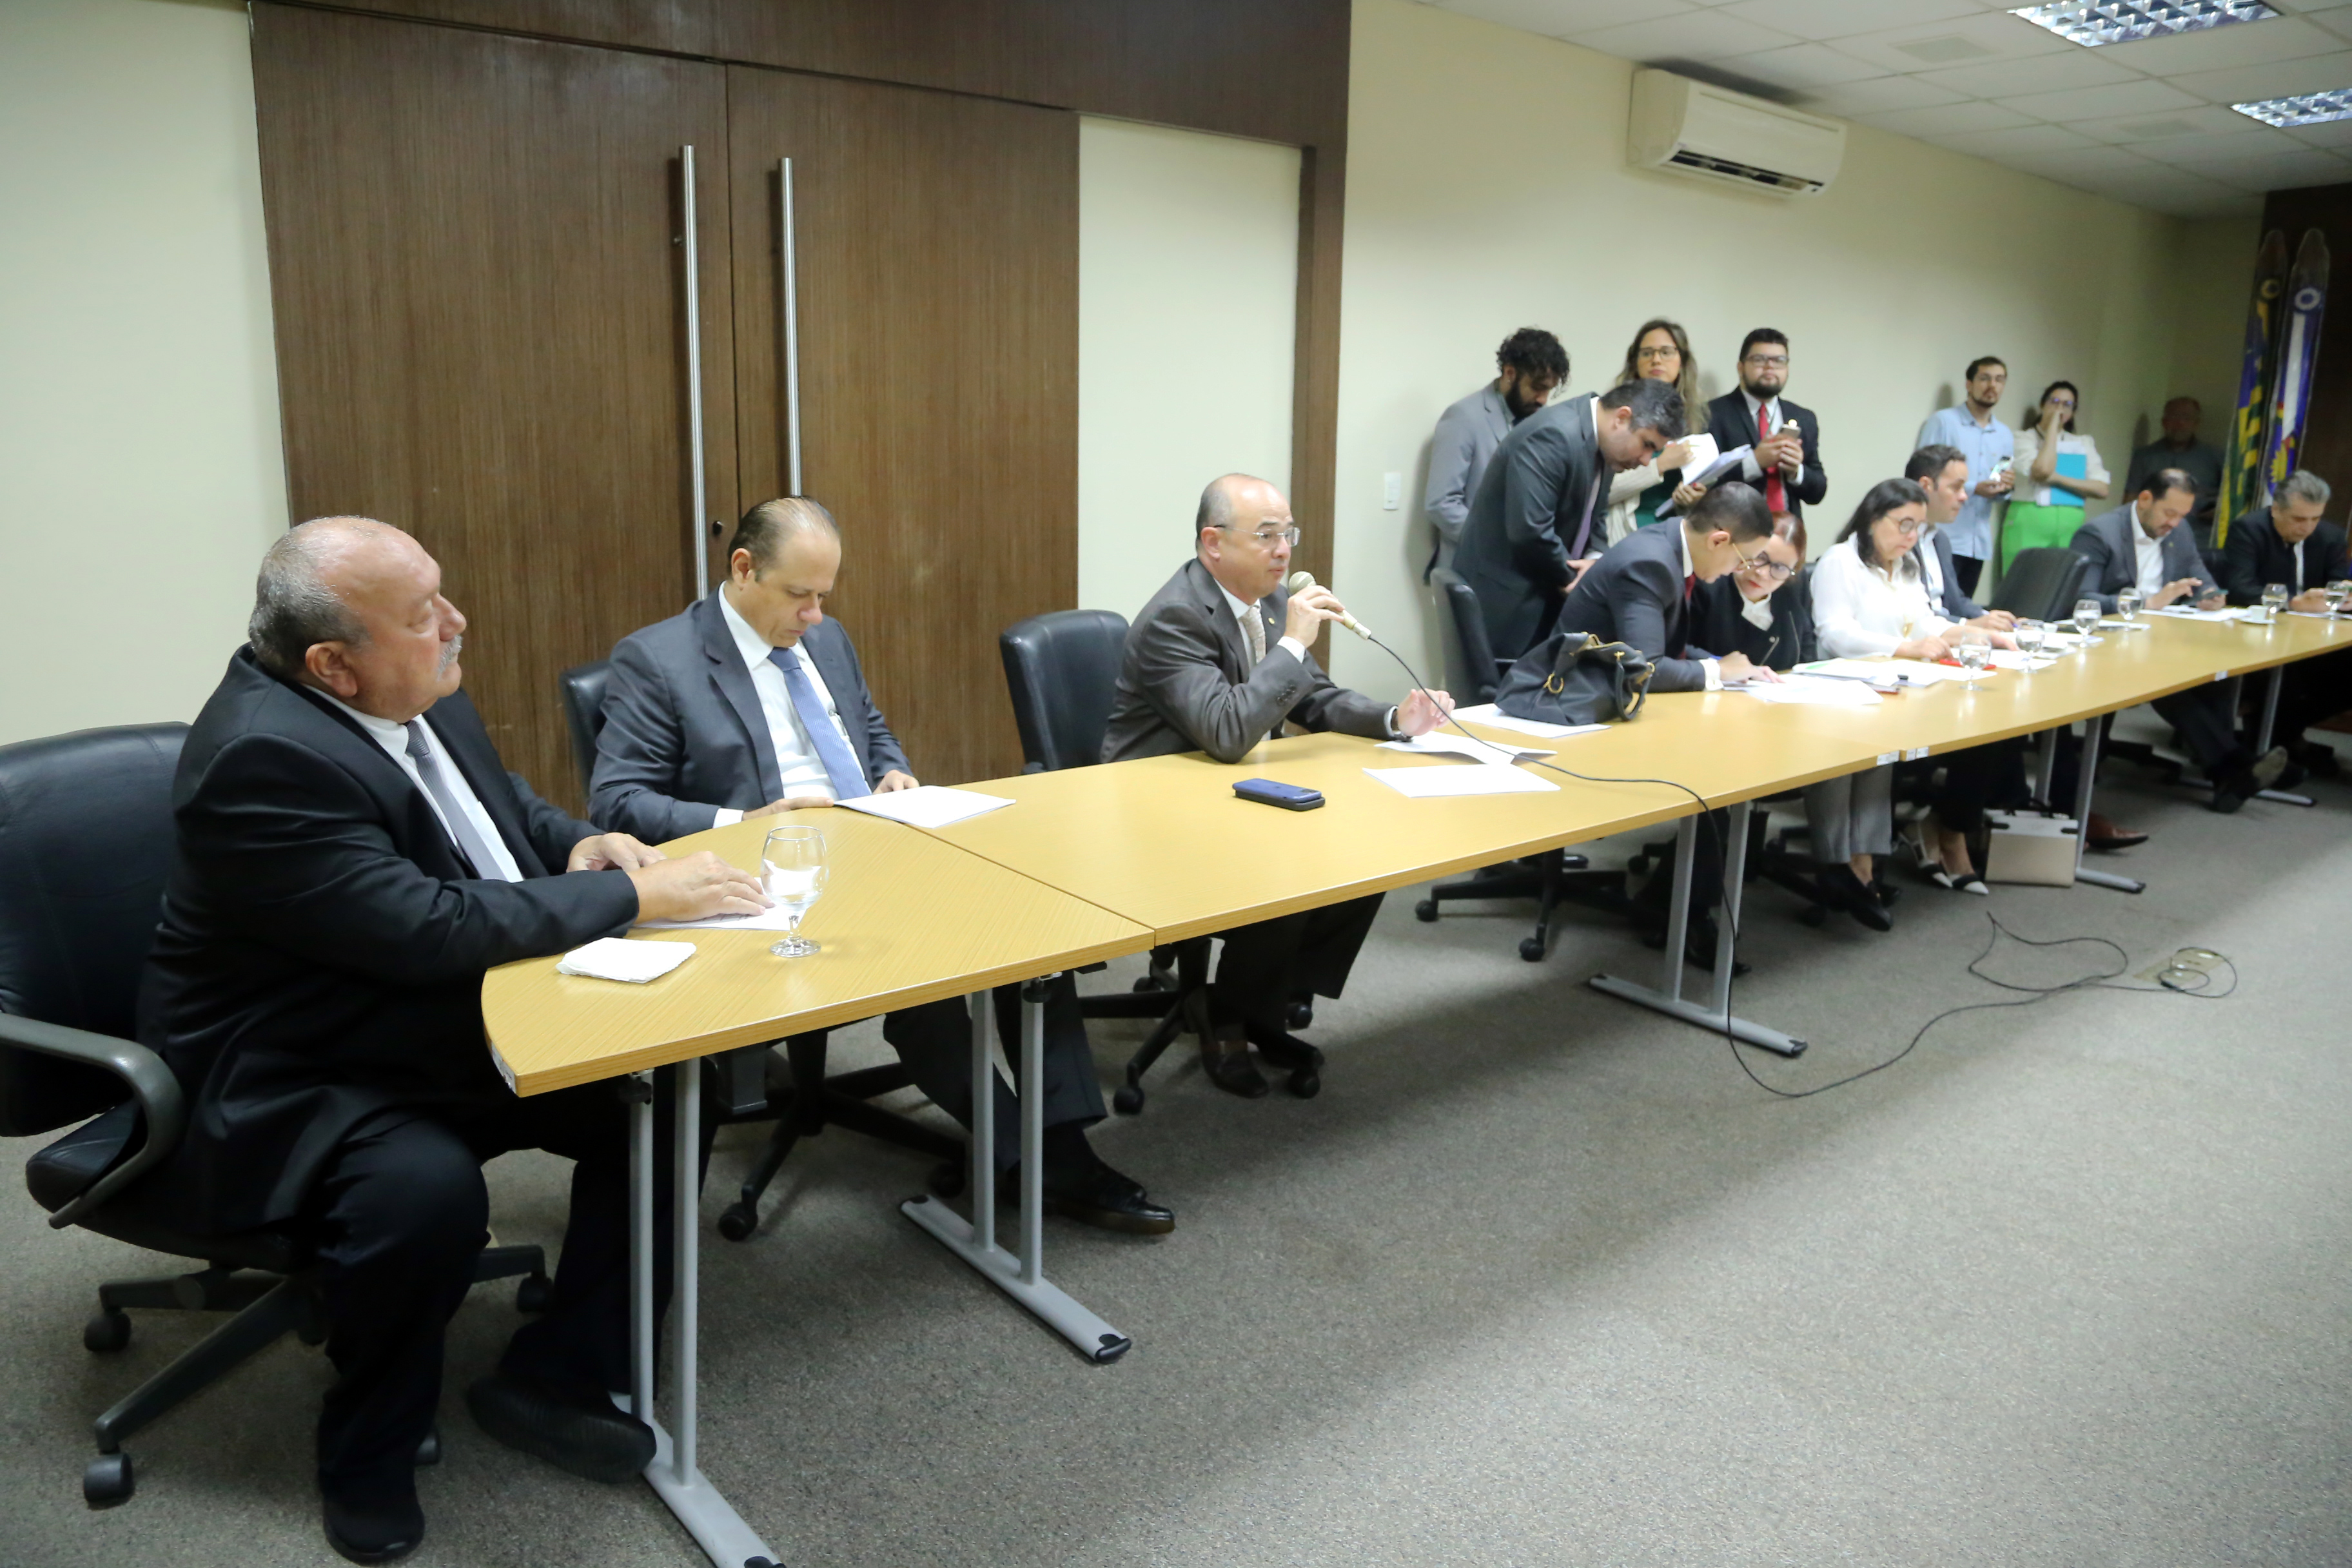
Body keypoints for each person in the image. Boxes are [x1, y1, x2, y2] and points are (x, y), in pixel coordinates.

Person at [139, 518, 772, 1564]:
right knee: (421, 1195)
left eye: (441, 594)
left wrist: (582, 844)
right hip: (302, 1061)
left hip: (430, 1013)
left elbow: (496, 808)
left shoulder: (413, 684)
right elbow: (422, 925)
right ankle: (365, 1450)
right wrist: (636, 897)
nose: (455, 620)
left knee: (660, 1082)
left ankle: (565, 1372)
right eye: (422, 612)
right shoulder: (264, 758)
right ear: (331, 664)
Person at [593, 498, 1171, 1234]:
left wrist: (893, 771)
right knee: (927, 973)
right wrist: (745, 822)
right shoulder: (658, 659)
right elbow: (618, 798)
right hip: (775, 875)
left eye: (823, 596)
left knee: (1031, 922)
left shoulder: (825, 637)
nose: (814, 616)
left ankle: (1062, 1135)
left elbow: (867, 728)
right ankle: (1032, 1161)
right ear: (743, 569)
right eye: (798, 595)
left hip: (879, 843)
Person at [1102, 474, 1449, 1095]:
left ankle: (1260, 994)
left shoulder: (1264, 600)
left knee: (1365, 852)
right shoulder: (1175, 618)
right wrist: (1291, 643)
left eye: (1288, 533)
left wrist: (1395, 719)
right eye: (1266, 535)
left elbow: (1313, 698)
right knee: (1287, 869)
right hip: (1158, 812)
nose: (1284, 549)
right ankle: (1230, 1014)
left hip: (1233, 792)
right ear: (1213, 543)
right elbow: (1227, 730)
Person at [1507, 483, 1779, 967]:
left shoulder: (1670, 545)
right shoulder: (1649, 563)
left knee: (1722, 772)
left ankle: (1669, 905)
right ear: (1719, 540)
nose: (1740, 571)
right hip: (1575, 714)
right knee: (1719, 782)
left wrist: (1730, 667)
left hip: (1608, 700)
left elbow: (1665, 650)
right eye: (1744, 559)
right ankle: (1679, 916)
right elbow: (1647, 667)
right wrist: (1718, 672)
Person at [1810, 479, 2024, 894]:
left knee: (1985, 728)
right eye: (1904, 525)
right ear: (1873, 518)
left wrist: (1978, 635)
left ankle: (1888, 851)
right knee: (1879, 749)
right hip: (1851, 688)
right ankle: (1854, 865)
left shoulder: (1906, 564)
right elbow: (1835, 633)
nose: (1911, 537)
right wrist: (1905, 648)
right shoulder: (1840, 561)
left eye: (1919, 528)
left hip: (1902, 686)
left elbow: (1927, 623)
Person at [2072, 473, 2286, 812]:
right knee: (2167, 680)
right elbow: (2082, 599)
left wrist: (2211, 595)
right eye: (2169, 513)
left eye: (2182, 515)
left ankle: (2227, 772)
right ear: (2145, 500)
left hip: (2160, 636)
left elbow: (2200, 577)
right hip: (2109, 641)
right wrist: (2146, 603)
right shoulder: (2099, 534)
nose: (2175, 523)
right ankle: (2233, 766)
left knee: (2217, 672)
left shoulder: (2179, 530)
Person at [1454, 378, 1685, 658]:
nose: (1647, 460)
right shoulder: (1554, 435)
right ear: (1622, 418)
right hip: (1504, 605)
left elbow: (1595, 515)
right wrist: (1582, 580)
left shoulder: (1603, 443)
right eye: (1647, 445)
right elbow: (1531, 531)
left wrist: (1596, 561)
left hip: (1541, 597)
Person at [2217, 469, 2351, 777]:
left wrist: (2344, 598)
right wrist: (2292, 602)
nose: (2307, 528)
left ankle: (2280, 733)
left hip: (2318, 634)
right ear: (2276, 509)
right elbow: (2240, 588)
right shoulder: (2249, 529)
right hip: (2260, 633)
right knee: (2287, 670)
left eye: (2315, 519)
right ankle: (2276, 740)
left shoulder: (2330, 536)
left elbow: (2339, 585)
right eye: (2299, 519)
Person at [1422, 326, 1566, 577]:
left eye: (1549, 390)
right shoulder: (1463, 417)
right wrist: (1497, 545)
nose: (1543, 399)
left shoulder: (1542, 419)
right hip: (1471, 567)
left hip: (1521, 572)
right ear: (1510, 373)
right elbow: (1441, 504)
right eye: (1537, 387)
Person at [1700, 328, 1827, 534]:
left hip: (1786, 536)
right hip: (1731, 534)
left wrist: (1796, 471)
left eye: (1779, 361)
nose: (1770, 367)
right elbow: (1702, 483)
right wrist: (1755, 463)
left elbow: (1818, 492)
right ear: (1741, 367)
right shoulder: (1710, 414)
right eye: (1760, 360)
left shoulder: (1804, 418)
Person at [1914, 355, 2015, 596]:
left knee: (1963, 607)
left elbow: (2000, 483)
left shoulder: (2004, 434)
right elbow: (1921, 473)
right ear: (1969, 384)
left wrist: (2005, 488)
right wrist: (1973, 488)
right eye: (1985, 378)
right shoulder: (1944, 422)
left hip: (1978, 543)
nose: (1992, 386)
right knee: (1933, 603)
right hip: (1942, 536)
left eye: (1999, 380)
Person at [1601, 318, 1705, 545]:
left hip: (1671, 537)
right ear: (1635, 361)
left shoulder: (1696, 419)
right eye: (1647, 353)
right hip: (1622, 535)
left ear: (1682, 360)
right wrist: (1661, 465)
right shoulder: (1617, 413)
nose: (1656, 360)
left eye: (1666, 352)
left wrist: (1692, 500)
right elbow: (1600, 492)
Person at [1903, 444, 2017, 634]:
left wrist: (1991, 618)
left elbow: (1955, 602)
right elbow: (1909, 614)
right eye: (1956, 487)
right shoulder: (1898, 540)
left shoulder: (1940, 540)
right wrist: (1965, 625)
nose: (1964, 496)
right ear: (1925, 487)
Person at [2001, 380, 2110, 571]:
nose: (2060, 409)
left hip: (2070, 522)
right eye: (2055, 402)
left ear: (2073, 412)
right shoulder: (2023, 438)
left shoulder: (2083, 443)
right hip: (2030, 519)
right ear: (2043, 404)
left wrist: (2056, 478)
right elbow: (2042, 470)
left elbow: (2102, 489)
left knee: (2062, 581)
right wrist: (2052, 427)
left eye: (2067, 405)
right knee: (2023, 579)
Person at [2124, 397, 2224, 542]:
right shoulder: (2144, 456)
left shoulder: (2215, 457)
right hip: (2152, 537)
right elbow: (2130, 500)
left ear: (2196, 424)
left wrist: (2215, 512)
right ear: (2164, 422)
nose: (2180, 423)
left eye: (2186, 418)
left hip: (2199, 538)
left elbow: (2231, 500)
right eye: (2174, 417)